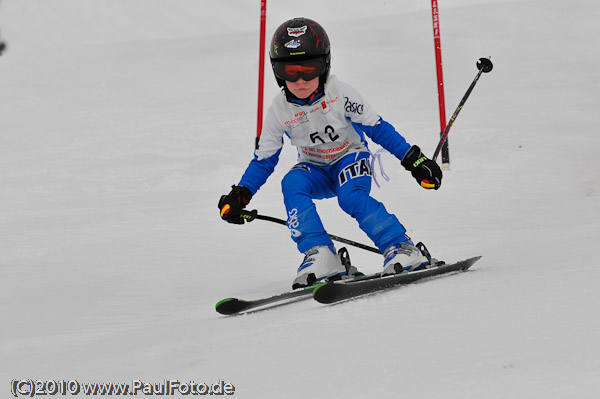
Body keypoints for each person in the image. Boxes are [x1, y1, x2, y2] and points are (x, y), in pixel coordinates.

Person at [218, 17, 442, 289]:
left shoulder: (340, 94)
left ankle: (401, 247)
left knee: (351, 198)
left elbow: (378, 129)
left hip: (350, 157)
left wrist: (415, 161)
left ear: (325, 66)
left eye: (309, 69)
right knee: (292, 183)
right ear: (277, 72)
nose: (300, 80)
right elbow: (264, 160)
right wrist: (242, 193)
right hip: (316, 169)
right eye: (290, 72)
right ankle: (321, 254)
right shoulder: (279, 110)